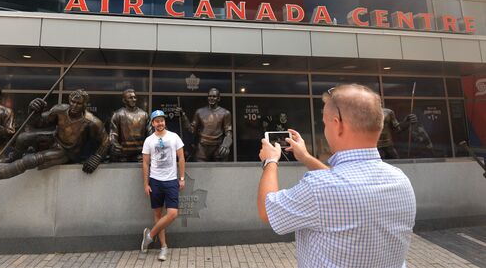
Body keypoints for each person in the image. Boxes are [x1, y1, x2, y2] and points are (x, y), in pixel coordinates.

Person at [258, 84, 416, 268]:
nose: (324, 130)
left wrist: (270, 161)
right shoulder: (401, 180)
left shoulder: (318, 188)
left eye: (325, 123)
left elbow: (267, 210)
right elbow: (345, 185)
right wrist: (305, 157)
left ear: (337, 124)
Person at [0, 89, 109, 185]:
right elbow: (38, 123)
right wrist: (34, 111)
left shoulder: (92, 122)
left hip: (68, 152)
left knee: (30, 160)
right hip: (55, 139)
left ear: (85, 104)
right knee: (23, 138)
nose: (74, 105)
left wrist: (96, 158)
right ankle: (14, 156)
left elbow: (106, 141)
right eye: (72, 101)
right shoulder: (60, 109)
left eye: (79, 103)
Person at [140, 110, 185, 261]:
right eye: (156, 121)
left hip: (171, 180)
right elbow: (145, 163)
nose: (160, 123)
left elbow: (181, 158)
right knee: (158, 215)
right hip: (155, 181)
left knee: (172, 213)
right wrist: (146, 184)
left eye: (162, 120)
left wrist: (182, 177)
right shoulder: (149, 140)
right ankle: (163, 247)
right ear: (152, 123)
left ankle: (149, 236)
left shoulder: (174, 137)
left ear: (165, 122)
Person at [178, 88, 232, 161]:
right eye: (209, 96)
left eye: (214, 96)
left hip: (218, 147)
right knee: (200, 170)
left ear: (218, 98)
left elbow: (228, 132)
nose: (211, 98)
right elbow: (191, 129)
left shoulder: (225, 113)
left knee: (220, 171)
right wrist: (183, 116)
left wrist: (226, 144)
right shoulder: (199, 112)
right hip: (202, 147)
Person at [109, 89, 150, 162]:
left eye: (135, 97)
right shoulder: (118, 114)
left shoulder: (144, 114)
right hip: (123, 155)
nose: (133, 99)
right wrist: (115, 145)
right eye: (130, 98)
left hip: (140, 154)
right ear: (124, 100)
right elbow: (113, 134)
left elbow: (150, 134)